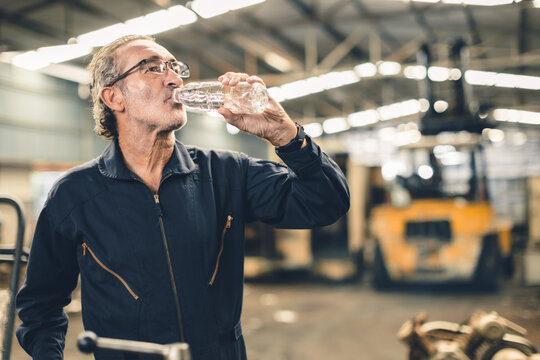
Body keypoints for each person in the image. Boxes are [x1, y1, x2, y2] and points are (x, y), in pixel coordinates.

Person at [15, 35, 350, 360]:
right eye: (152, 68)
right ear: (114, 97)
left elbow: (326, 202)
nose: (175, 79)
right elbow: (40, 305)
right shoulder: (75, 195)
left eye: (175, 67)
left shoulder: (227, 174)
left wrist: (286, 136)